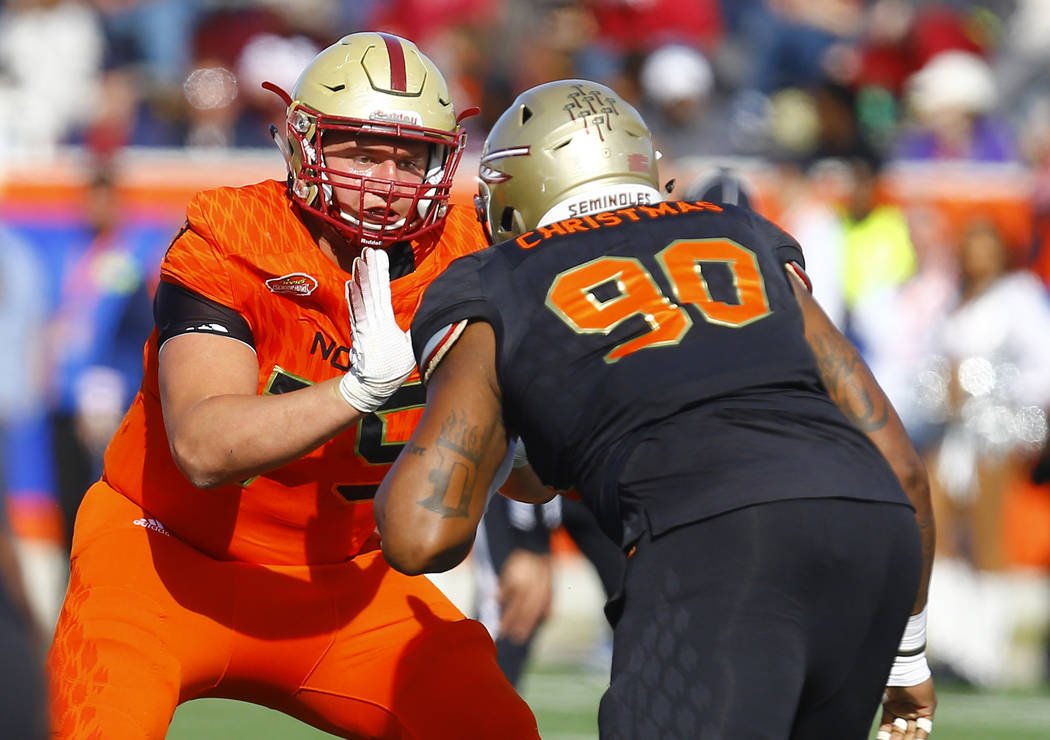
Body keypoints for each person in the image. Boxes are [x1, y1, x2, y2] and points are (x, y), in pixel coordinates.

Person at [371, 79, 937, 739]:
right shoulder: (745, 234)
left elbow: (420, 533)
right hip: (871, 527)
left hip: (718, 542)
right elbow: (899, 463)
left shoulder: (494, 280)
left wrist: (374, 391)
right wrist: (908, 654)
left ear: (521, 190)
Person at [46, 33, 538, 740]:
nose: (387, 180)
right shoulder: (234, 235)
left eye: (409, 158)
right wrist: (358, 390)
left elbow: (532, 483)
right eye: (360, 152)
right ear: (304, 145)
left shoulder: (467, 257)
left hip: (345, 584)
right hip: (162, 561)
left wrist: (504, 438)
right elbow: (203, 447)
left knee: (495, 727)